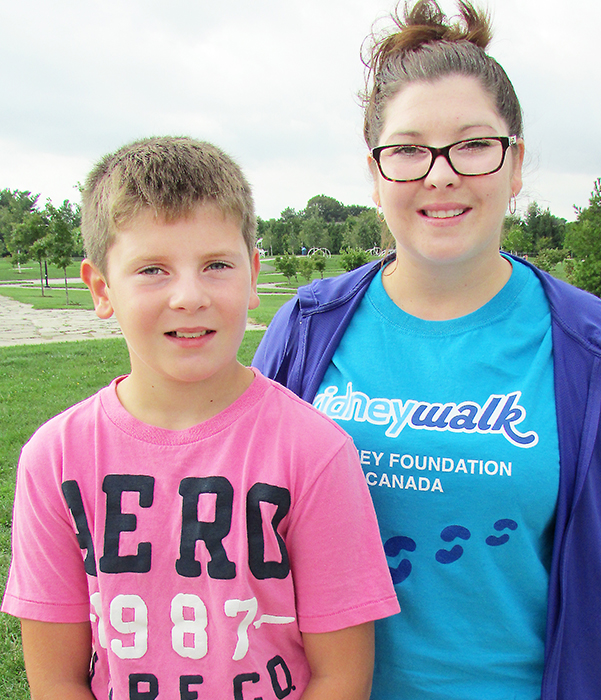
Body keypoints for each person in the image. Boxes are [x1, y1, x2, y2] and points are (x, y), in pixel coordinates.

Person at [252, 2, 601, 699]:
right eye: (407, 149)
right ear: (374, 174)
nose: (440, 174)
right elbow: (236, 523)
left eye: (472, 144)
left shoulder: (596, 347)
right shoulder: (307, 328)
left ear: (515, 164)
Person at [1, 136, 399, 700]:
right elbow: (55, 679)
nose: (188, 296)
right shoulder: (55, 458)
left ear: (253, 275)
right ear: (101, 288)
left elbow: (341, 675)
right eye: (152, 270)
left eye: (215, 265)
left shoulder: (314, 451)